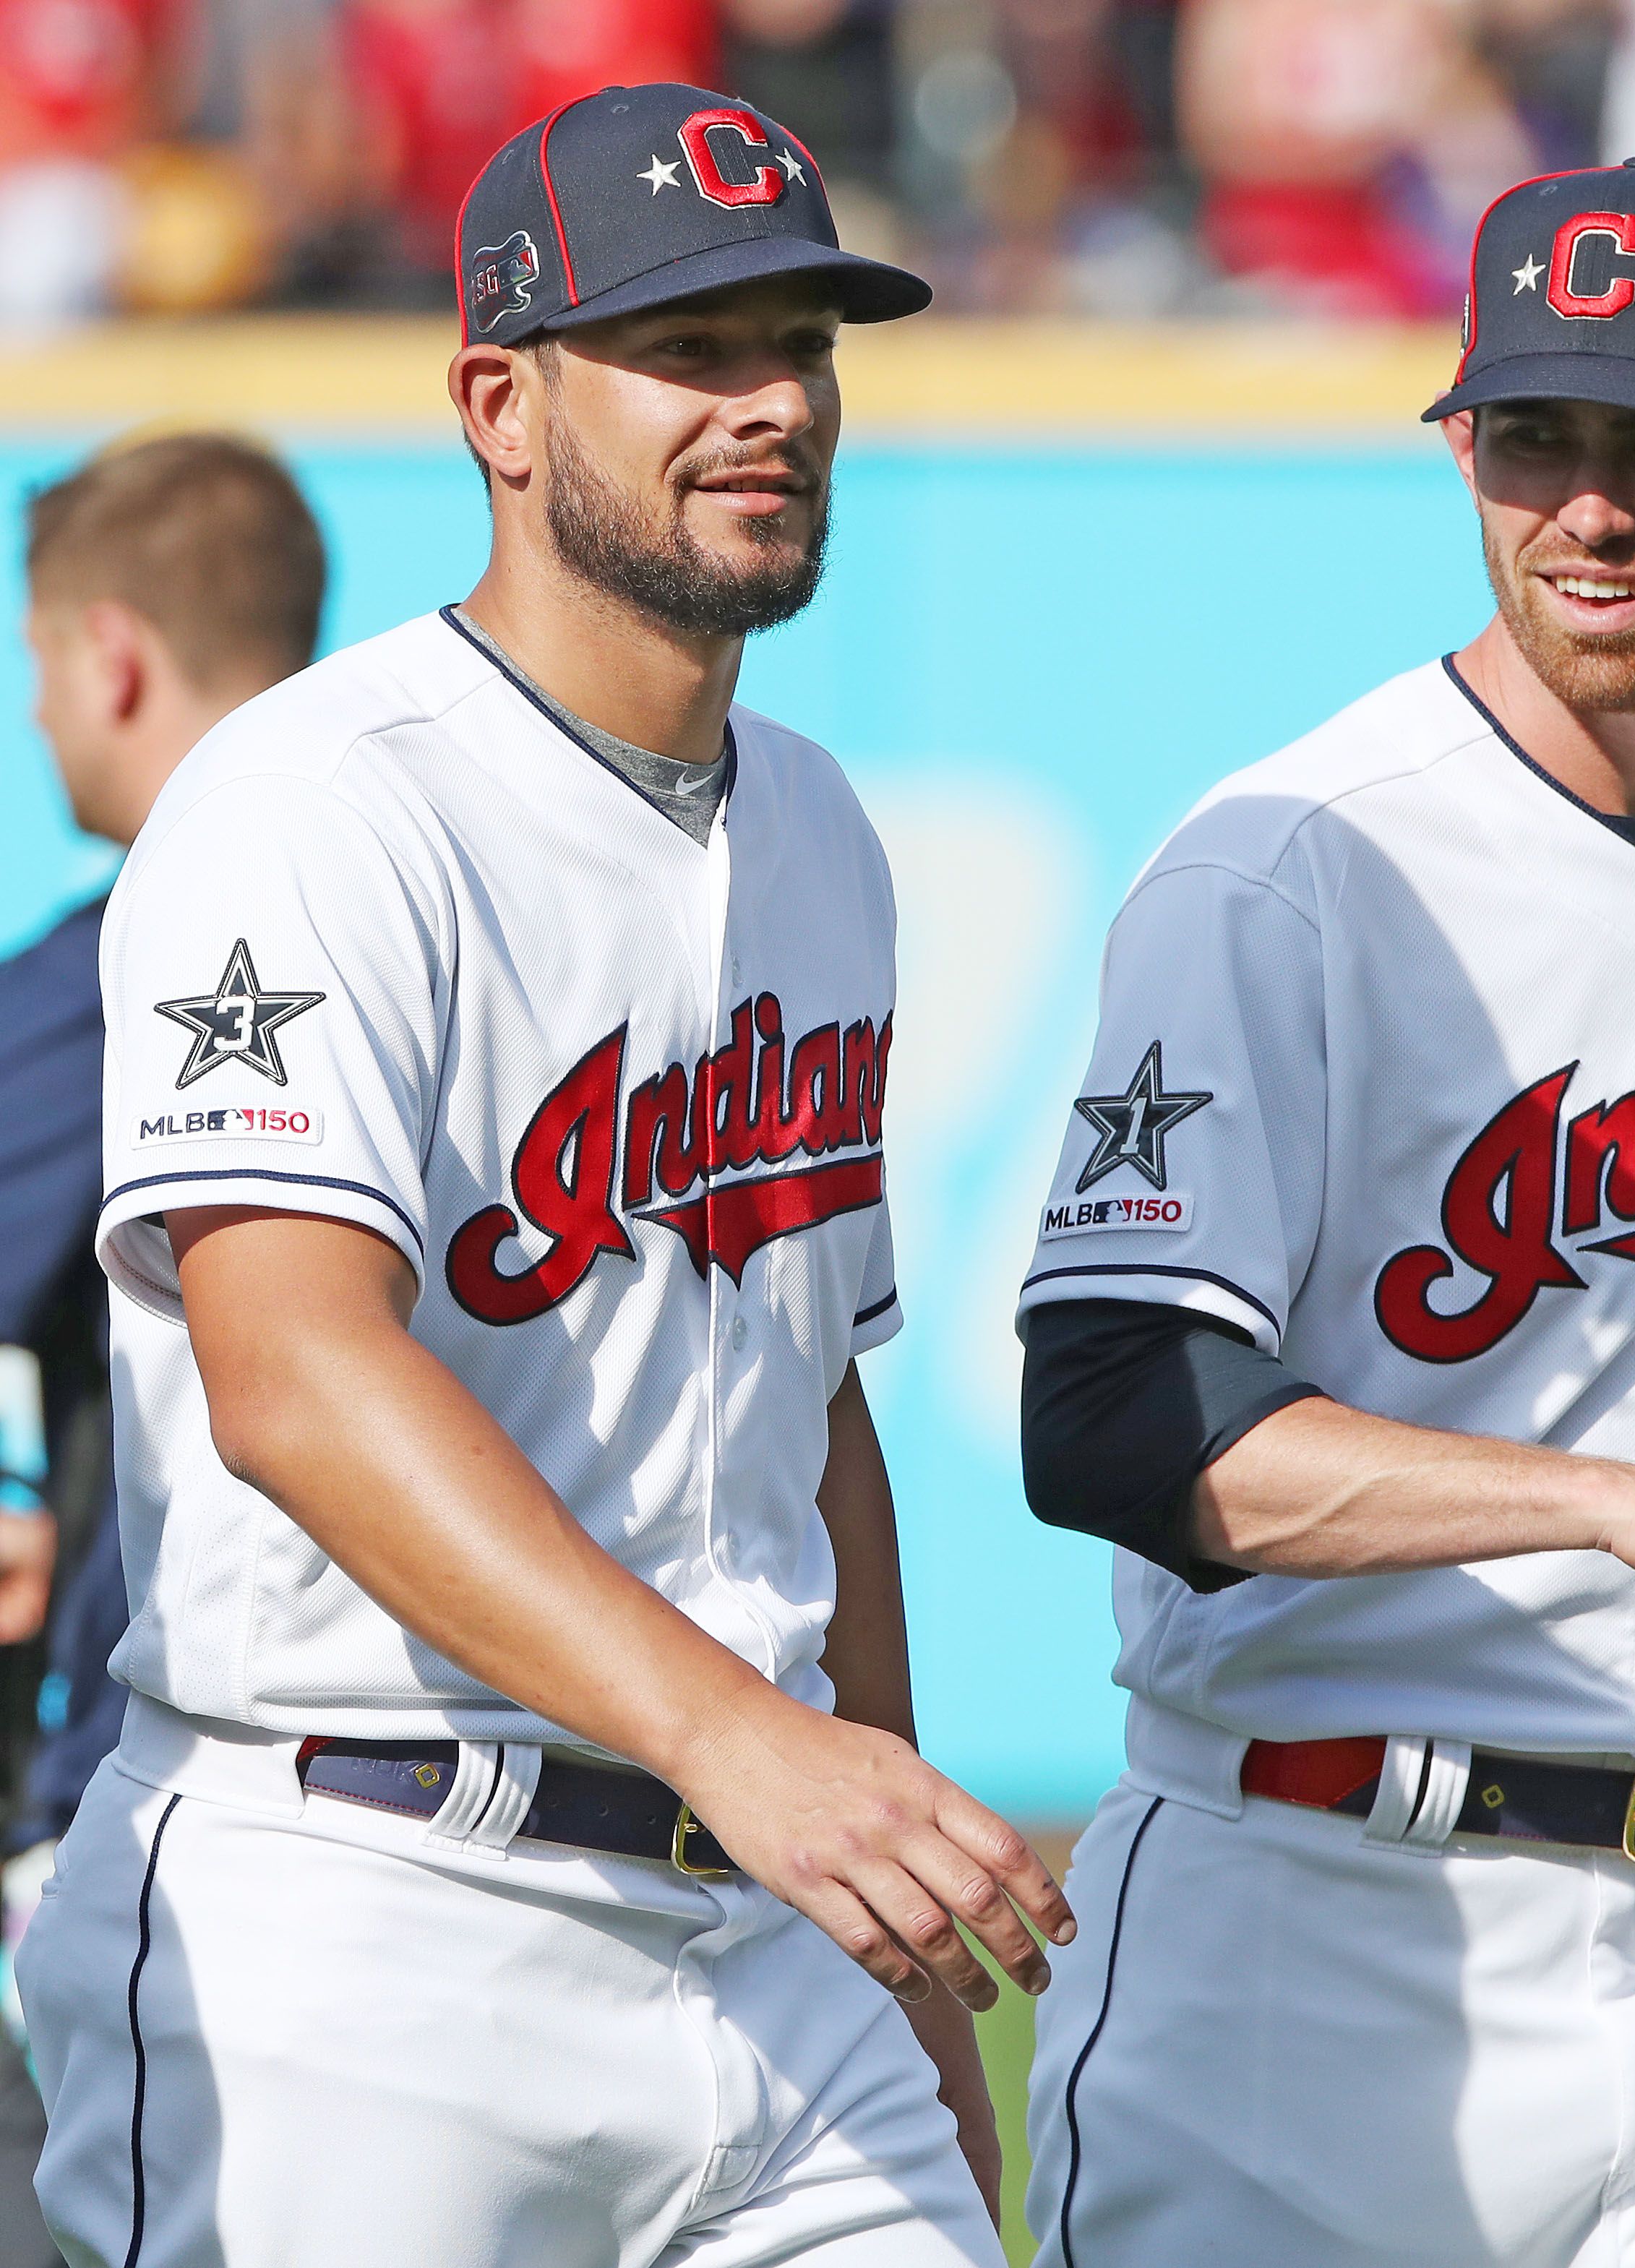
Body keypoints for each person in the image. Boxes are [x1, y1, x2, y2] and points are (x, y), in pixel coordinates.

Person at [20, 82, 1070, 2268]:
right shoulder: (317, 803)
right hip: (363, 1909)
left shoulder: (818, 834)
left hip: (764, 1951)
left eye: (802, 340)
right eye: (688, 347)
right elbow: (291, 1376)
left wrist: (875, 1908)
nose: (770, 399)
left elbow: (816, 1405)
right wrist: (744, 1743)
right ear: (500, 401)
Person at [1017, 159, 1635, 2266]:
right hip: (1318, 1939)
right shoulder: (1288, 867)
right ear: (1463, 447)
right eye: (1537, 436)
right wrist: (1629, 1504)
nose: (1592, 507)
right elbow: (1109, 1420)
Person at [0, 433, 328, 2268]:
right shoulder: (478, 895)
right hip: (585, 1799)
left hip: (206, 1808)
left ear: (110, 657)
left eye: (38, 668)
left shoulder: (131, 956)